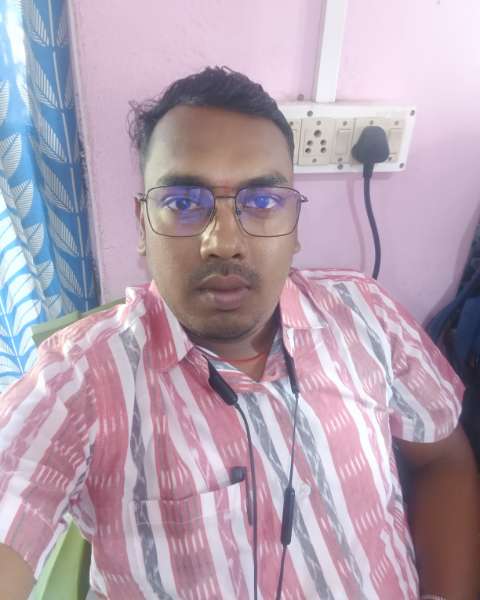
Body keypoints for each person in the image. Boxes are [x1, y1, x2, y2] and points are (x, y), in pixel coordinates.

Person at [0, 66, 478, 600]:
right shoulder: (76, 381)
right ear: (142, 225)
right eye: (184, 203)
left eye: (262, 201)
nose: (223, 241)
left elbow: (442, 458)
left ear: (294, 224)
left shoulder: (367, 313)